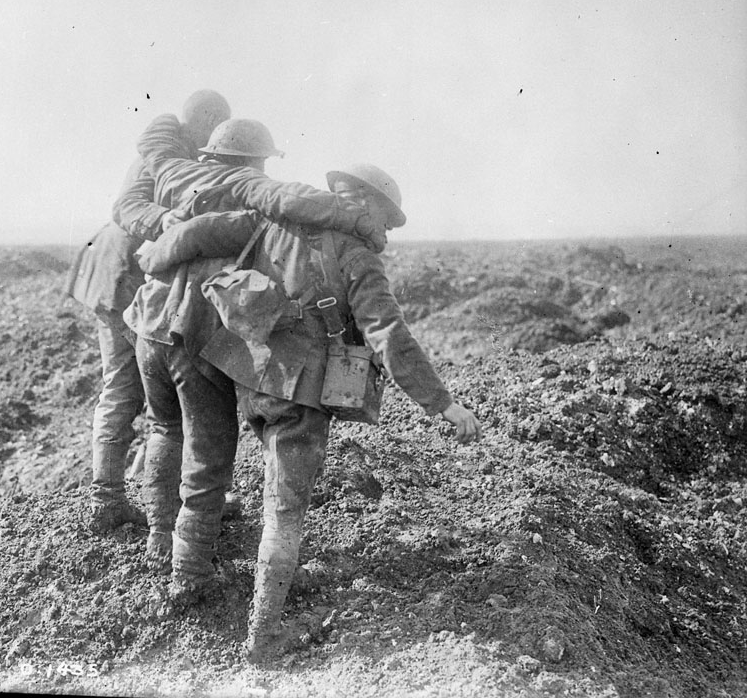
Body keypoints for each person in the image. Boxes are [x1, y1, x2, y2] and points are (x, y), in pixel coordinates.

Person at [136, 162, 483, 662]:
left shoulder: (273, 222)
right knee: (285, 509)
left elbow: (199, 233)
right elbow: (389, 337)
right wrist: (443, 404)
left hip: (250, 375)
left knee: (244, 481)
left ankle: (186, 581)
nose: (385, 231)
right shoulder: (359, 256)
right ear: (367, 206)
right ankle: (263, 636)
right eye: (386, 219)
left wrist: (153, 253)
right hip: (302, 394)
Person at [113, 113, 386, 591]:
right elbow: (291, 200)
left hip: (146, 325)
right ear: (256, 161)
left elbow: (156, 157)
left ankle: (161, 539)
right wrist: (361, 222)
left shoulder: (178, 173)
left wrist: (153, 251)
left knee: (163, 428)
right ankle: (190, 573)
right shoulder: (246, 188)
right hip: (191, 333)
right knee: (208, 452)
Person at [62, 90, 231, 533]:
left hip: (131, 276)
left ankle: (155, 495)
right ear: (203, 121)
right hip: (121, 277)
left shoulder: (182, 153)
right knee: (129, 386)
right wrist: (165, 222)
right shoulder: (158, 157)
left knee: (152, 388)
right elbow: (126, 207)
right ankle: (108, 499)